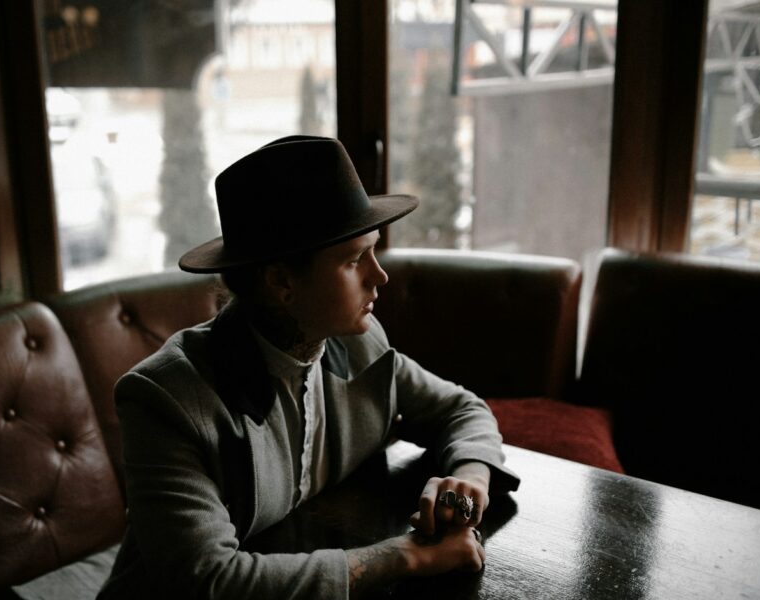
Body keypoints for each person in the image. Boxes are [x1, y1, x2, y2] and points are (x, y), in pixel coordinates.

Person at [98, 136, 519, 599]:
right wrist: (408, 555)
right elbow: (207, 581)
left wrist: (469, 479)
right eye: (355, 258)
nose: (379, 276)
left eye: (374, 252)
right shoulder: (166, 400)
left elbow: (461, 409)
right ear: (281, 281)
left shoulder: (361, 343)